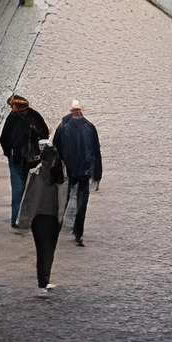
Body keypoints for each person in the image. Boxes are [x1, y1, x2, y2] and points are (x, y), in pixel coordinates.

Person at [13, 138, 67, 292]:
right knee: (46, 250)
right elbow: (30, 199)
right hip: (48, 217)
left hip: (44, 218)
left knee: (45, 250)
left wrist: (24, 220)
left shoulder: (47, 174)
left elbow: (28, 198)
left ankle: (44, 279)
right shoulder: (57, 175)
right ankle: (43, 281)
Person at [51, 99, 102, 245]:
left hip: (71, 172)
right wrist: (97, 174)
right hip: (81, 172)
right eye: (76, 110)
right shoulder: (89, 127)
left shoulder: (63, 127)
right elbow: (96, 152)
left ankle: (62, 229)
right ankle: (76, 233)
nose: (77, 113)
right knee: (79, 203)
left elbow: (56, 150)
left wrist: (55, 172)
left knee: (64, 201)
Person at [0, 93, 49, 228]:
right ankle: (18, 218)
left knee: (25, 190)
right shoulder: (20, 117)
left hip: (29, 161)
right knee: (20, 190)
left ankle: (22, 218)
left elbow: (44, 135)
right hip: (19, 160)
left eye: (13, 106)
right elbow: (4, 139)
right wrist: (10, 153)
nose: (11, 108)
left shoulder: (29, 117)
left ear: (18, 106)